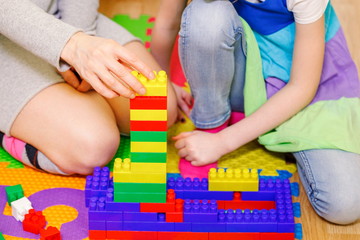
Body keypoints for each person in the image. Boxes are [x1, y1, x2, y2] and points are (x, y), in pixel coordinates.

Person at [152, 0, 360, 225]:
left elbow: (302, 87)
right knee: (205, 15)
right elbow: (167, 23)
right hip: (241, 74)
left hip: (307, 87)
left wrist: (224, 142)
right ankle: (212, 123)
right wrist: (163, 82)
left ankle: (267, 130)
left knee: (344, 206)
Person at [0, 0, 178, 175]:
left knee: (159, 110)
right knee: (93, 147)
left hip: (56, 13)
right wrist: (70, 45)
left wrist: (83, 36)